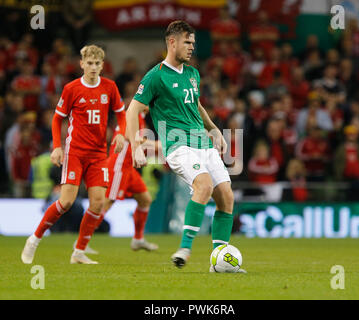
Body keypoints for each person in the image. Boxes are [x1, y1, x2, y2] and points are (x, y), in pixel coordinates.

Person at [126, 20, 245, 273]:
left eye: (193, 42)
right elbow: (132, 109)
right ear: (172, 42)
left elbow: (197, 106)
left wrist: (213, 128)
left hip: (202, 141)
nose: (191, 47)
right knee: (203, 185)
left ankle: (218, 262)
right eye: (187, 42)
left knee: (226, 197)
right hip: (177, 145)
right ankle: (185, 248)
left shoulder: (192, 73)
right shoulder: (156, 76)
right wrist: (136, 145)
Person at [21, 45, 126, 264]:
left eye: (98, 64)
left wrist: (120, 134)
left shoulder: (110, 87)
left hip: (98, 154)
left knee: (97, 203)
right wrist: (58, 147)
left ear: (102, 65)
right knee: (66, 202)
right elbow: (57, 118)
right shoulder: (71, 89)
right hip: (75, 153)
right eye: (90, 63)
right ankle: (34, 239)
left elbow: (121, 115)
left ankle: (79, 251)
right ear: (82, 64)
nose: (94, 68)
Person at [81, 111, 159, 252]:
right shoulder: (132, 115)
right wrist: (156, 144)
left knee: (145, 199)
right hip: (119, 166)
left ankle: (138, 239)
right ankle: (81, 243)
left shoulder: (140, 118)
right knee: (106, 203)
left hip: (129, 167)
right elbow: (130, 137)